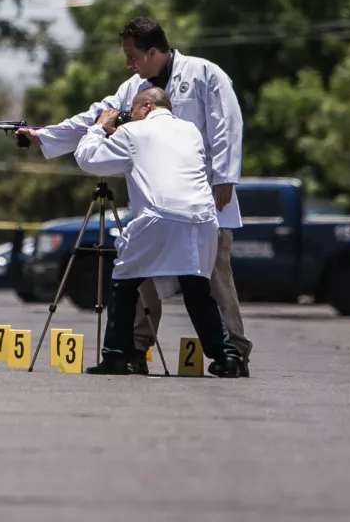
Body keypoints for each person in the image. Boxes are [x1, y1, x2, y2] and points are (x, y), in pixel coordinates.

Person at [16, 17, 251, 377]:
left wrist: (225, 176)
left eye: (132, 56)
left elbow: (227, 124)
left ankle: (234, 349)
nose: (128, 64)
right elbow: (96, 117)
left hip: (207, 195)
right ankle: (136, 350)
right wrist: (43, 135)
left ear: (153, 52)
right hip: (158, 201)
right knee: (148, 283)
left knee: (212, 279)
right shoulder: (134, 88)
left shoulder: (203, 73)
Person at [73, 87, 244, 377]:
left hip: (160, 216)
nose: (130, 117)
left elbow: (87, 159)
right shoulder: (190, 131)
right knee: (197, 290)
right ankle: (226, 357)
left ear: (147, 106)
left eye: (133, 111)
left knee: (124, 282)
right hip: (203, 220)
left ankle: (115, 356)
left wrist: (100, 128)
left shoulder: (132, 133)